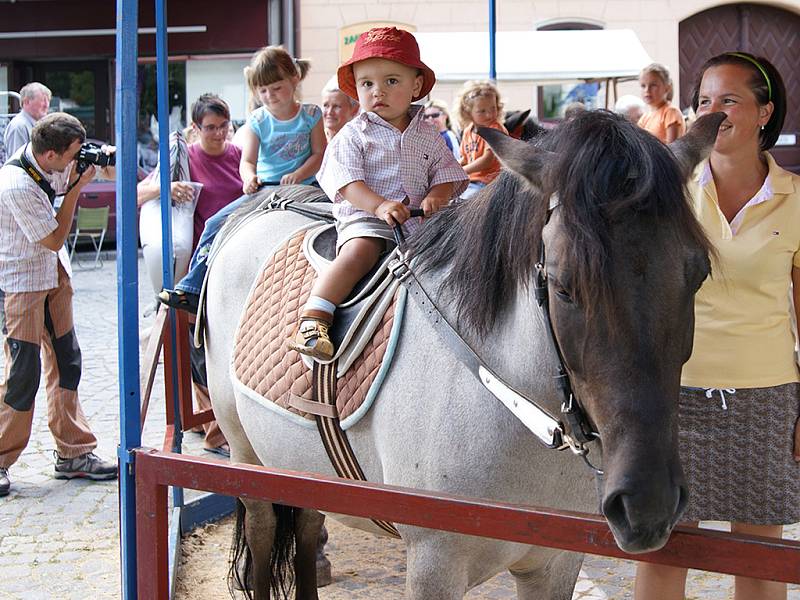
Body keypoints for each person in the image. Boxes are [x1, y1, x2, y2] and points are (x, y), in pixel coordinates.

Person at [634, 52, 798, 600]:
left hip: (768, 398)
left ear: (764, 111)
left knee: (759, 561)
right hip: (672, 396)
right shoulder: (665, 194)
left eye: (730, 100)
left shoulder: (797, 201)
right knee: (663, 551)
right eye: (704, 101)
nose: (714, 112)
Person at [287, 27, 468, 360]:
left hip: (419, 223)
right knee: (361, 252)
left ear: (415, 86)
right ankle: (315, 316)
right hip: (368, 220)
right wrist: (379, 205)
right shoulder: (354, 135)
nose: (377, 91)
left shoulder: (427, 134)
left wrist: (437, 196)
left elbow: (448, 173)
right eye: (367, 83)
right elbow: (346, 182)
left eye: (392, 81)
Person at [0, 113, 118, 497]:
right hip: (21, 284)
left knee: (67, 361)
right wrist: (76, 191)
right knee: (23, 374)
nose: (74, 161)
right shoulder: (16, 183)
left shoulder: (49, 161)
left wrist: (90, 164)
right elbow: (53, 237)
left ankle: (74, 453)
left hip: (54, 277)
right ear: (50, 154)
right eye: (70, 156)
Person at [158, 45, 326, 314]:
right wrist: (249, 178)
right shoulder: (258, 119)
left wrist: (300, 174)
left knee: (342, 218)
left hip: (306, 186)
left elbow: (319, 153)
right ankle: (192, 285)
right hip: (267, 188)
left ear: (294, 78)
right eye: (263, 90)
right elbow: (247, 161)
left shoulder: (311, 115)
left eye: (276, 87)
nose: (269, 96)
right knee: (215, 224)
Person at [137, 94, 243, 457]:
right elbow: (137, 194)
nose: (217, 134)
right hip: (198, 270)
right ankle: (216, 430)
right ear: (196, 128)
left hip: (234, 263)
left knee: (227, 345)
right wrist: (166, 187)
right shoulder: (184, 157)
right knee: (201, 350)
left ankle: (212, 424)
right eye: (210, 128)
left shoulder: (238, 155)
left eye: (223, 127)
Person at [456, 80, 507, 200]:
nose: (489, 115)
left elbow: (487, 160)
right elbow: (465, 158)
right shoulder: (468, 131)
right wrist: (451, 170)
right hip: (471, 181)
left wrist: (462, 171)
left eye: (493, 108)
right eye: (482, 111)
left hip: (490, 182)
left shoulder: (495, 129)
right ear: (468, 113)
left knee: (466, 200)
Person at [637, 62, 686, 143]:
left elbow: (672, 148)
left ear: (667, 88)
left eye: (653, 85)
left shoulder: (671, 113)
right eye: (643, 86)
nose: (647, 90)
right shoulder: (644, 118)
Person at [3, 82, 51, 158]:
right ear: (27, 102)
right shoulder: (19, 126)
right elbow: (18, 161)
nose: (46, 105)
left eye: (48, 100)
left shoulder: (37, 125)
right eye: (43, 100)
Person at [321, 76, 360, 141]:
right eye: (326, 106)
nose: (329, 112)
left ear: (354, 110)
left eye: (336, 106)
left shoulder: (359, 141)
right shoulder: (315, 140)